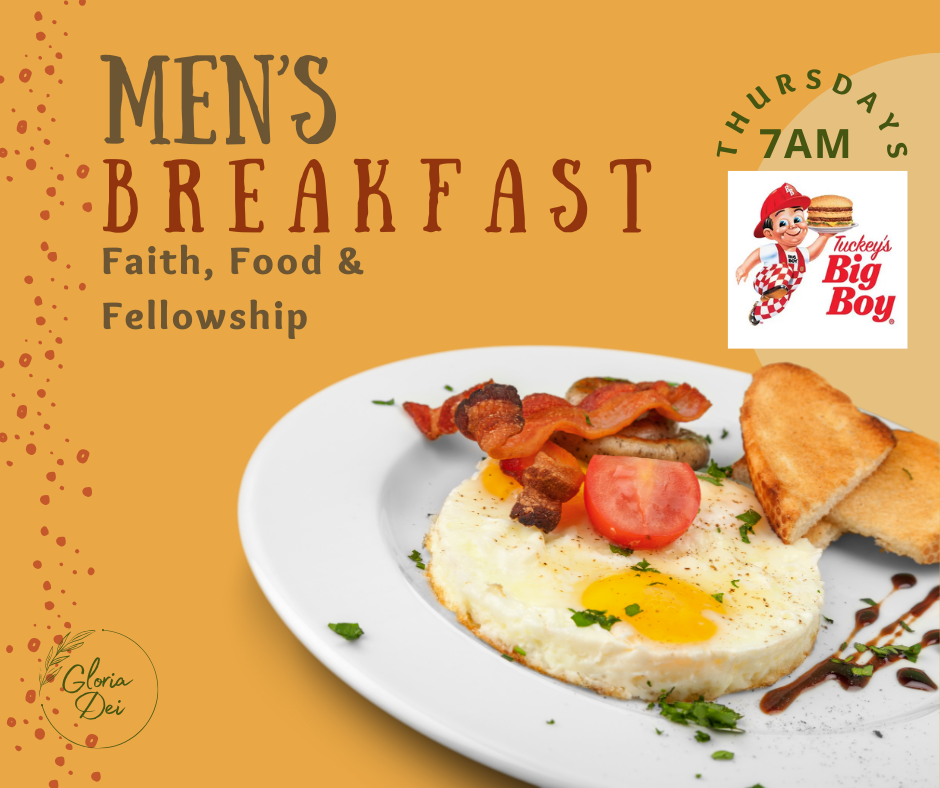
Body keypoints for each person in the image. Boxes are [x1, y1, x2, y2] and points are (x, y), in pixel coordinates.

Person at [735, 183, 833, 325]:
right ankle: (772, 290)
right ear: (769, 233)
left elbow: (812, 253)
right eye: (782, 223)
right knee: (784, 269)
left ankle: (757, 314)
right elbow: (757, 255)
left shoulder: (800, 254)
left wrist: (824, 237)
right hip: (764, 281)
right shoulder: (774, 250)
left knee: (780, 304)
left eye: (798, 219)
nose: (793, 225)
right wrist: (744, 268)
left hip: (784, 290)